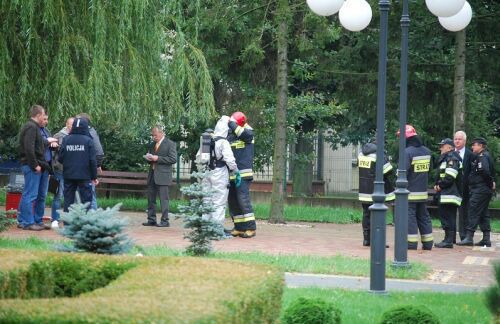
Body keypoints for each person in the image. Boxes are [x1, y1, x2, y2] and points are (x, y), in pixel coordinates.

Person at [18, 105, 57, 230]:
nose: (45, 117)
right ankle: (26, 222)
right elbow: (29, 148)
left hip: (41, 166)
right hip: (33, 166)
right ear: (39, 115)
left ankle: (35, 220)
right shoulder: (31, 127)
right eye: (43, 114)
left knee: (37, 195)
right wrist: (35, 165)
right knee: (30, 194)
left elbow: (38, 145)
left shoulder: (34, 127)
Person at [197, 116, 239, 235]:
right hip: (220, 173)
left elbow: (198, 158)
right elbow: (230, 160)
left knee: (207, 200)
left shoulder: (207, 140)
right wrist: (235, 171)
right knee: (219, 202)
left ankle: (205, 229)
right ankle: (216, 231)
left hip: (207, 173)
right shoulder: (223, 142)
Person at [398, 125, 434, 250]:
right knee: (423, 216)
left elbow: (402, 173)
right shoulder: (427, 151)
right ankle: (428, 243)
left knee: (410, 217)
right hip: (423, 192)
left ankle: (411, 243)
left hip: (410, 192)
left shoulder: (407, 152)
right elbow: (430, 170)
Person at [457, 137, 496, 247]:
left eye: (474, 145)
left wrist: (489, 183)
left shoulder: (482, 156)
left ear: (480, 146)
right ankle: (486, 238)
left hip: (480, 190)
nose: (472, 147)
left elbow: (485, 171)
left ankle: (469, 237)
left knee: (473, 211)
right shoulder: (484, 156)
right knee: (483, 213)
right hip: (482, 189)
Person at [357, 140, 395, 246]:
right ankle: (378, 240)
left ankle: (366, 239)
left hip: (363, 190)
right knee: (377, 215)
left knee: (366, 214)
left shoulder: (361, 153)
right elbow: (388, 170)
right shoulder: (379, 154)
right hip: (375, 190)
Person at [58, 117, 98, 212]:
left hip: (69, 174)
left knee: (68, 200)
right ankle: (85, 223)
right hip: (84, 175)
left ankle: (68, 223)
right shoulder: (88, 140)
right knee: (86, 201)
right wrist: (94, 176)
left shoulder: (66, 139)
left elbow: (60, 158)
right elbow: (92, 160)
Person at [227, 111, 257, 238]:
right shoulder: (232, 135)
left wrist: (231, 123)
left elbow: (242, 133)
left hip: (243, 175)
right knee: (233, 201)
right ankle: (239, 227)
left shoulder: (248, 133)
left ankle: (251, 227)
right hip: (232, 174)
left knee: (243, 200)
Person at [143, 126, 177, 227]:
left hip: (163, 176)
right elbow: (151, 158)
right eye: (152, 135)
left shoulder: (170, 144)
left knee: (164, 199)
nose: (154, 137)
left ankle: (165, 221)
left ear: (162, 133)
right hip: (152, 174)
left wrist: (158, 158)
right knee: (151, 199)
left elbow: (173, 159)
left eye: (155, 135)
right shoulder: (152, 144)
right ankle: (151, 220)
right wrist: (148, 158)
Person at [434, 138, 462, 248]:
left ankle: (448, 241)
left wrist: (440, 185)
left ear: (449, 147)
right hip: (447, 193)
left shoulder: (452, 158)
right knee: (447, 217)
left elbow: (450, 176)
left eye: (443, 145)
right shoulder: (448, 158)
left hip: (449, 194)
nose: (440, 148)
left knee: (448, 217)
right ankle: (448, 239)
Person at [76, 113, 104, 210]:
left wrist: (97, 164)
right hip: (85, 168)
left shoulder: (90, 133)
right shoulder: (89, 132)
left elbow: (99, 151)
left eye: (77, 120)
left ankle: (92, 219)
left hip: (87, 169)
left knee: (89, 195)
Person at [50, 117, 74, 228]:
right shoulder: (58, 136)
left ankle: (69, 219)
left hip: (71, 171)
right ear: (66, 124)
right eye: (70, 124)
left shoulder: (76, 137)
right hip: (59, 170)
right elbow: (51, 153)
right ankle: (55, 219)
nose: (72, 127)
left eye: (74, 125)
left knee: (70, 196)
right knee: (58, 195)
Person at [454, 130, 472, 241]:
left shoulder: (470, 155)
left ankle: (464, 235)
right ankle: (450, 238)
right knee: (450, 213)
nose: (457, 141)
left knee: (464, 212)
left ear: (464, 141)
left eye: (459, 139)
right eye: (455, 139)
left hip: (465, 188)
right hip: (453, 188)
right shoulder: (451, 153)